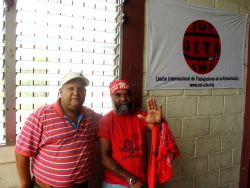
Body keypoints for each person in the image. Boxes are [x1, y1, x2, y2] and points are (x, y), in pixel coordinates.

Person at [15, 72, 102, 188]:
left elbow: (111, 122)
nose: (76, 93)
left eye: (80, 89)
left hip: (82, 185)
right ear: (61, 92)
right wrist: (25, 185)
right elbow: (21, 152)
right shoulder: (41, 116)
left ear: (85, 93)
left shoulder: (92, 117)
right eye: (71, 88)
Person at [97, 80, 180, 188]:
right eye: (118, 95)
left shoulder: (140, 115)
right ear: (111, 97)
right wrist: (131, 179)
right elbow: (104, 159)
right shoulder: (106, 121)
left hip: (141, 182)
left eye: (127, 94)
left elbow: (161, 136)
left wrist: (159, 123)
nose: (123, 99)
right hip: (116, 184)